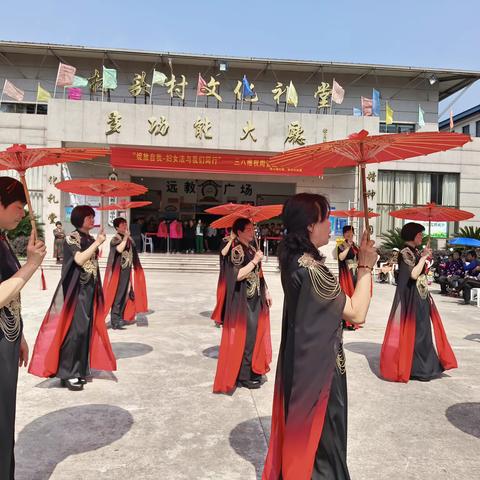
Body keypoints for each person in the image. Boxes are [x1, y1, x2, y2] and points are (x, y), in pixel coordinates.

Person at [262, 193, 377, 480]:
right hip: (319, 372)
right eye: (326, 219)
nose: (330, 225)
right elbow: (356, 313)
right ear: (310, 226)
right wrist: (365, 266)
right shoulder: (314, 271)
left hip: (301, 364)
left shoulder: (294, 260)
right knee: (323, 442)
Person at [29, 206, 116, 391]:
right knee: (74, 331)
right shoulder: (72, 238)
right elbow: (79, 259)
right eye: (88, 217)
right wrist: (98, 243)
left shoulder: (90, 238)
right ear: (79, 219)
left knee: (84, 330)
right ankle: (68, 372)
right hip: (75, 291)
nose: (92, 220)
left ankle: (79, 369)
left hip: (89, 289)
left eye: (93, 217)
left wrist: (96, 242)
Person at [0, 177, 46, 480]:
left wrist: (21, 335)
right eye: (18, 207)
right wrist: (31, 265)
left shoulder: (2, 240)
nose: (22, 213)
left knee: (5, 420)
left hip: (7, 340)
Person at [380, 222, 457, 383]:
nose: (421, 237)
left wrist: (424, 256)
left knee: (423, 331)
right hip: (412, 298)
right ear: (412, 235)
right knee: (418, 333)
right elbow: (413, 274)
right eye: (419, 234)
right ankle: (418, 368)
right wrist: (422, 258)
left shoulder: (414, 251)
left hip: (421, 295)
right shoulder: (405, 252)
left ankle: (425, 366)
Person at [213, 218, 272, 393]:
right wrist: (254, 260)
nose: (251, 232)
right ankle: (244, 375)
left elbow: (258, 273)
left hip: (255, 297)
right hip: (243, 300)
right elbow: (237, 275)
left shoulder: (252, 247)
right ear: (239, 232)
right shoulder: (237, 250)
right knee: (246, 337)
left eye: (252, 228)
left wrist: (266, 290)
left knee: (254, 335)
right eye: (247, 229)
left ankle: (253, 369)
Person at [102, 217, 148, 330]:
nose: (124, 226)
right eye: (122, 225)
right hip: (118, 273)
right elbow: (119, 249)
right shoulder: (115, 239)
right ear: (117, 227)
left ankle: (122, 317)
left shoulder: (129, 239)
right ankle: (115, 320)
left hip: (127, 272)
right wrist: (126, 237)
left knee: (126, 295)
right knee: (117, 295)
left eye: (125, 224)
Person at [337, 225, 359, 330]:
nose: (349, 235)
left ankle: (354, 320)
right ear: (344, 234)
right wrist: (348, 247)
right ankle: (346, 321)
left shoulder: (356, 246)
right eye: (347, 233)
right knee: (347, 297)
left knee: (355, 297)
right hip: (346, 275)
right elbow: (341, 257)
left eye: (351, 233)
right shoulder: (341, 246)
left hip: (355, 274)